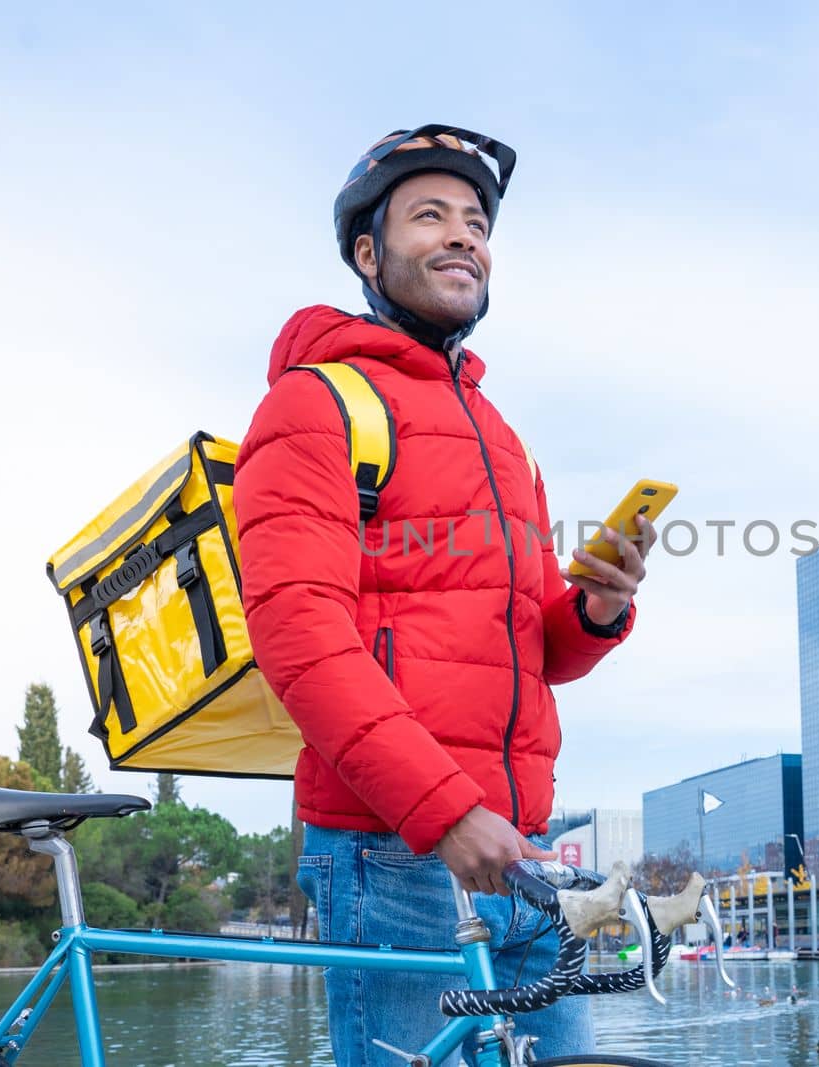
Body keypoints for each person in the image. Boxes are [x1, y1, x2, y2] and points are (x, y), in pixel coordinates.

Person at [234, 125, 656, 1065]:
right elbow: (299, 637)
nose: (464, 234)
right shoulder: (316, 403)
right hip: (397, 853)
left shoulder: (507, 440)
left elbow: (538, 650)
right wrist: (444, 810)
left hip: (521, 846)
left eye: (476, 221)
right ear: (368, 252)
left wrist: (595, 609)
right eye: (432, 215)